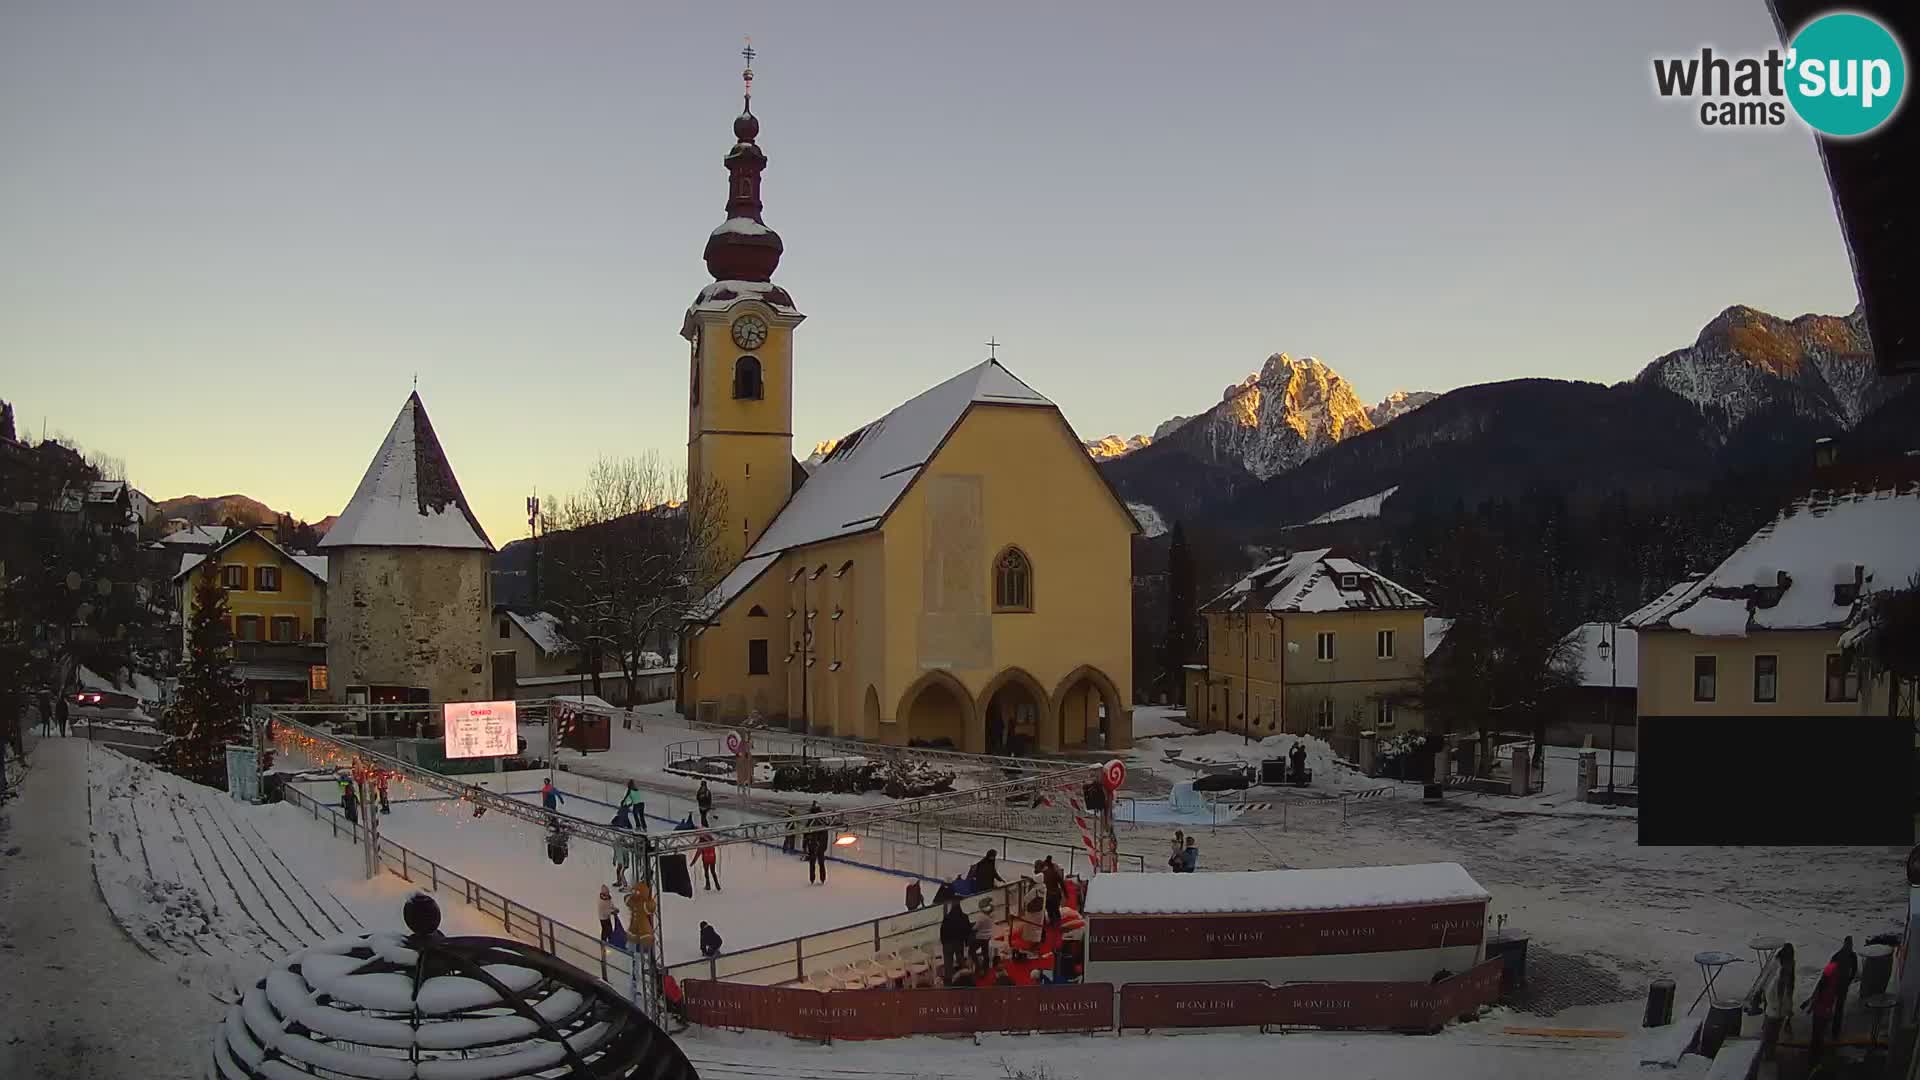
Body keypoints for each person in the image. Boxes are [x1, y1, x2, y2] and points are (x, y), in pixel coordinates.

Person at [1758, 942, 1795, 1062]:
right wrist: (1780, 1009)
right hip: (1775, 1010)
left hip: (1776, 1009)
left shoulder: (1785, 967)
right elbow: (1771, 989)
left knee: (1771, 1033)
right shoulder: (1779, 973)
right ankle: (1766, 1054)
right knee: (1770, 1034)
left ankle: (1767, 1052)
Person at [1806, 956, 1841, 1067]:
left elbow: (1817, 997)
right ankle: (1816, 1058)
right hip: (1823, 1013)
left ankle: (1813, 1057)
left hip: (1819, 1012)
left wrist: (1811, 1007)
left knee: (1816, 1035)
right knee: (1819, 1035)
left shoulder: (1825, 983)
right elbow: (1828, 1000)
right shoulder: (1830, 986)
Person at [1830, 936, 1858, 1041]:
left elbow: (1829, 970)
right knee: (1838, 1007)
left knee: (1835, 1005)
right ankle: (1835, 1030)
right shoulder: (1850, 956)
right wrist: (1849, 981)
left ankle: (1833, 1028)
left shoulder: (1838, 955)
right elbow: (1854, 971)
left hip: (1837, 984)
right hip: (1840, 985)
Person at [939, 898, 971, 981]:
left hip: (947, 943)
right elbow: (967, 930)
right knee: (960, 959)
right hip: (959, 942)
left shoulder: (947, 918)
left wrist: (943, 942)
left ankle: (949, 980)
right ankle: (965, 977)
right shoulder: (964, 917)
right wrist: (966, 942)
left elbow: (942, 931)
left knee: (948, 963)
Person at [625, 880, 657, 951]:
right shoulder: (633, 902)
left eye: (637, 892)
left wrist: (650, 903)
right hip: (634, 926)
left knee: (643, 937)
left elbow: (650, 907)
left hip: (642, 927)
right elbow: (627, 900)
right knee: (633, 942)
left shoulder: (644, 904)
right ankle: (633, 953)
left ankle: (641, 952)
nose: (635, 893)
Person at [970, 897, 996, 972]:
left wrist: (972, 927)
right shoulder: (992, 915)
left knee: (972, 951)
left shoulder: (981, 917)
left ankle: (978, 965)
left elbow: (975, 928)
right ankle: (986, 967)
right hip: (987, 936)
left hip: (979, 937)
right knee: (985, 952)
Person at [1040, 856, 1065, 926]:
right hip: (1055, 894)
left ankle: (1053, 922)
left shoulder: (1044, 873)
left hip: (1048, 895)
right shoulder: (1054, 871)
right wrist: (1065, 893)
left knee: (1050, 910)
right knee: (1056, 910)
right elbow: (1061, 882)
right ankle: (1058, 923)